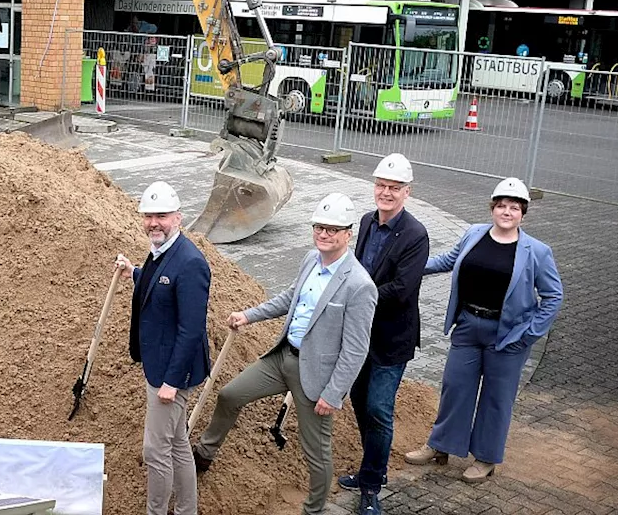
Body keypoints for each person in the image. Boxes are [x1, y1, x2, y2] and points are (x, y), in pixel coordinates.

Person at [192, 193, 377, 515]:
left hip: (315, 377)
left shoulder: (360, 285)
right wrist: (250, 315)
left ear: (348, 234)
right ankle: (205, 453)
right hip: (282, 358)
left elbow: (356, 348)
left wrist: (333, 394)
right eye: (320, 227)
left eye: (333, 229)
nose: (324, 234)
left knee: (316, 450)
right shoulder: (310, 259)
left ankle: (314, 509)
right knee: (230, 394)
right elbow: (290, 298)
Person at [405, 178, 563, 483]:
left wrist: (529, 334)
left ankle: (486, 458)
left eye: (513, 207)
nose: (506, 212)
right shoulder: (474, 234)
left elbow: (553, 296)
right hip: (467, 327)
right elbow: (448, 261)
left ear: (522, 213)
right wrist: (409, 265)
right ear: (493, 208)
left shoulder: (537, 252)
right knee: (455, 388)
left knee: (497, 397)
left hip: (508, 335)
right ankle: (440, 446)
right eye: (501, 206)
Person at [337, 154, 430, 515]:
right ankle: (371, 468)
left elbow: (403, 289)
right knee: (360, 400)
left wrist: (356, 296)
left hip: (393, 337)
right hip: (361, 334)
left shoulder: (415, 234)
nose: (386, 193)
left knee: (378, 408)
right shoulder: (365, 222)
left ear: (407, 192)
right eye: (381, 186)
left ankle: (372, 484)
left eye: (394, 188)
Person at [114, 181, 210, 515]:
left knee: (155, 451)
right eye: (149, 216)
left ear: (178, 218)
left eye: (162, 216)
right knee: (178, 444)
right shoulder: (161, 252)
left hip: (171, 374)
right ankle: (187, 511)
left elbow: (192, 329)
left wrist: (171, 382)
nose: (154, 222)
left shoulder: (191, 262)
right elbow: (161, 286)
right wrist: (135, 273)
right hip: (159, 364)